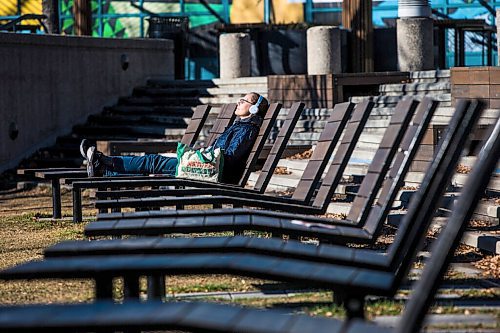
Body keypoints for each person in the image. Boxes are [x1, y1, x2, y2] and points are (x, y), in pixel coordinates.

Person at [80, 92, 269, 184]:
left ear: (253, 108)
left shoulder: (247, 129)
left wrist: (203, 155)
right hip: (205, 165)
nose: (239, 102)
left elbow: (230, 157)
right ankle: (105, 172)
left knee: (152, 161)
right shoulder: (241, 126)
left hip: (211, 171)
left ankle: (103, 161)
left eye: (244, 101)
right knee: (155, 160)